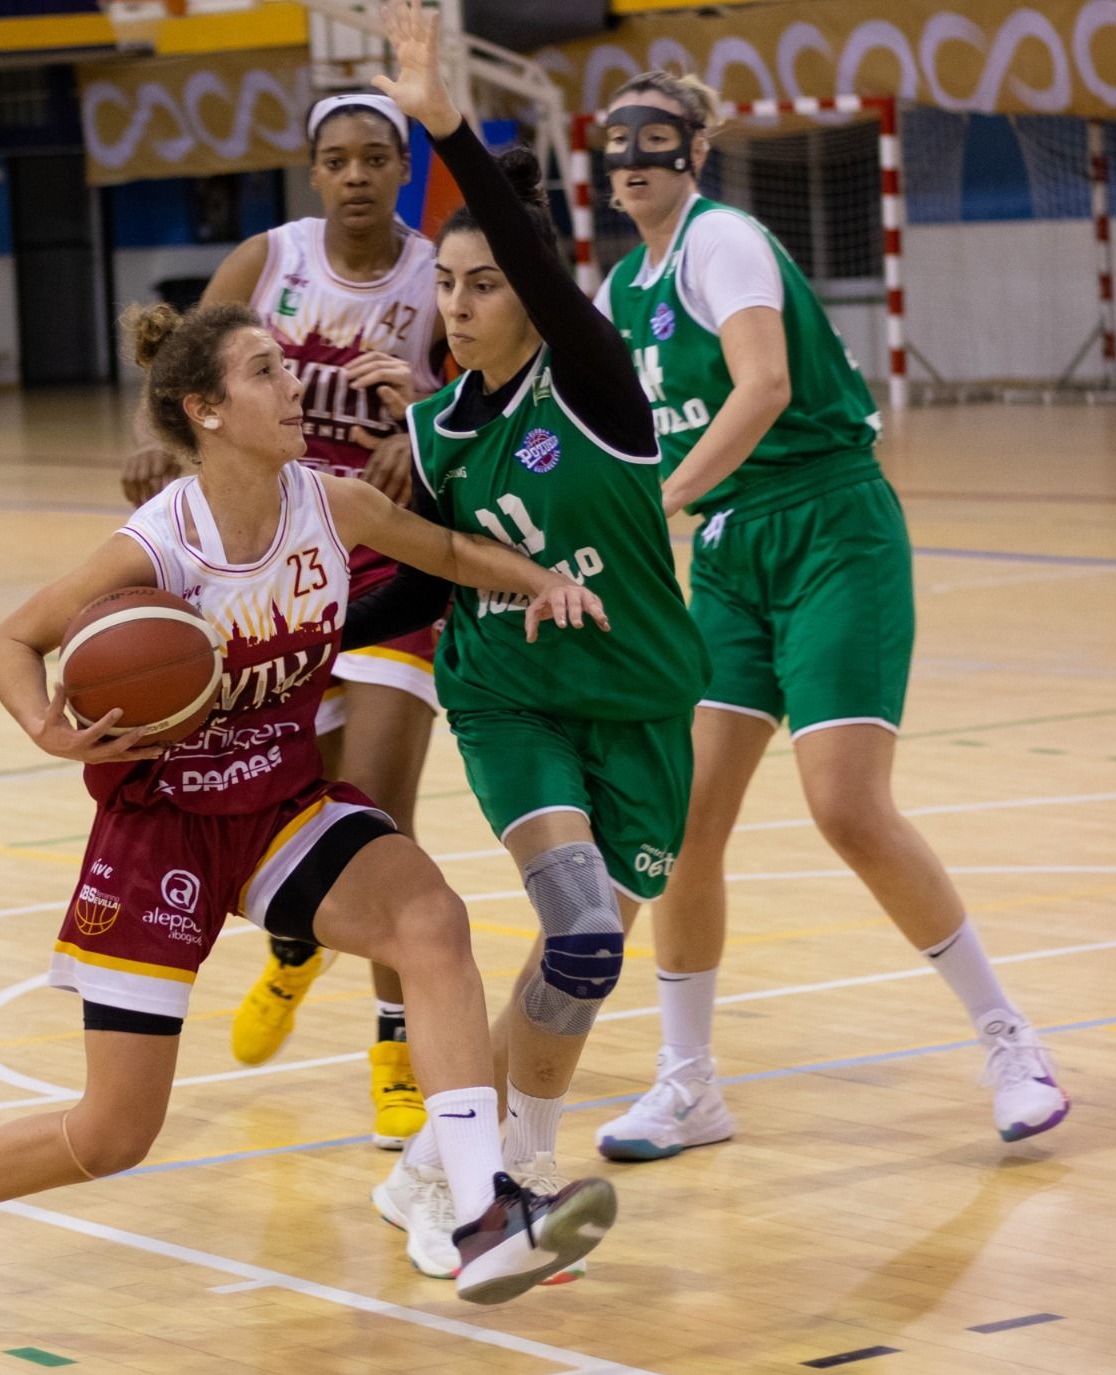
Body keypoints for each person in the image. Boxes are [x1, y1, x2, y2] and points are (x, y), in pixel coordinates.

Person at [0, 298, 621, 1352]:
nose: (295, 387)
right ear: (208, 410)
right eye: (266, 373)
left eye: (287, 368)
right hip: (163, 832)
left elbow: (451, 555)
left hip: (282, 802)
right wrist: (51, 732)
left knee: (430, 922)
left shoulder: (333, 505)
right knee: (112, 1134)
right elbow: (14, 640)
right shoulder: (156, 545)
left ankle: (481, 1212)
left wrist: (540, 579)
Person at [589, 70, 1071, 1160]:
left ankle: (1009, 1042)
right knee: (678, 825)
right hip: (727, 552)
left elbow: (759, 387)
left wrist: (656, 500)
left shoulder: (724, 243)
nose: (632, 156)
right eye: (615, 139)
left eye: (654, 137)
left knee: (845, 806)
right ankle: (688, 1084)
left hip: (828, 525)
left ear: (694, 152)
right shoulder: (621, 290)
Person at [351, 0, 710, 1283]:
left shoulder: (596, 384)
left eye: (483, 285)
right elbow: (421, 588)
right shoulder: (439, 431)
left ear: (534, 296)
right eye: (441, 285)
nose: (457, 305)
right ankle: (518, 1180)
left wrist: (441, 121)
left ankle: (428, 1175)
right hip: (509, 699)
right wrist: (284, 645)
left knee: (580, 965)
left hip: (643, 699)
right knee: (580, 937)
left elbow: (537, 260)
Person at [121, 90, 447, 1150]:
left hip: (387, 548)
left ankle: (395, 1054)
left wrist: (427, 427)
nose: (354, 174)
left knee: (384, 811)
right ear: (312, 175)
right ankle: (300, 945)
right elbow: (186, 364)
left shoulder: (437, 271)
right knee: (303, 793)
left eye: (373, 157)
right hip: (277, 560)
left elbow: (484, 391)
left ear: (402, 167)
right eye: (334, 159)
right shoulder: (270, 259)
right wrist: (155, 444)